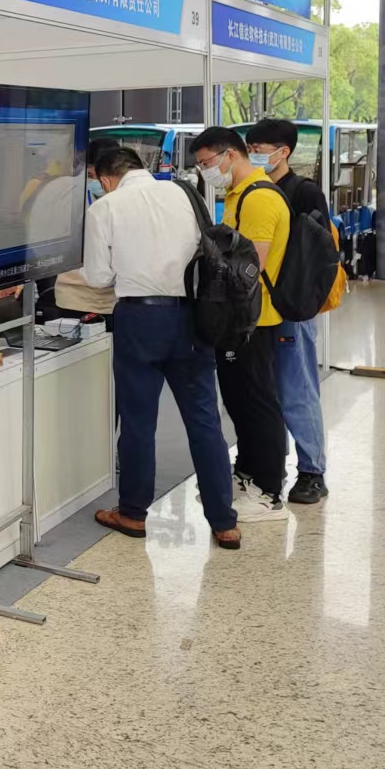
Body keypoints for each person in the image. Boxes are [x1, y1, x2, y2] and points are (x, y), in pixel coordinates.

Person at [82, 146, 241, 549]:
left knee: (138, 423)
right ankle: (225, 522)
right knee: (204, 421)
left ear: (105, 179)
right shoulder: (183, 192)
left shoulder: (105, 208)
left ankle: (133, 513)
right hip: (192, 318)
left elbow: (98, 277)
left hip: (139, 320)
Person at [190, 126, 292, 522]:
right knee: (238, 402)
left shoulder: (260, 198)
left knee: (258, 403)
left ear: (230, 155)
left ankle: (269, 491)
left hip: (255, 320)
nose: (205, 171)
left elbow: (250, 268)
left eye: (207, 163)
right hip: (238, 320)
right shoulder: (238, 194)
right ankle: (247, 474)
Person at [245, 119, 330, 504]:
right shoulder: (251, 189)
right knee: (265, 393)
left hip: (291, 307)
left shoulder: (304, 192)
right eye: (251, 148)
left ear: (284, 152)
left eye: (260, 149)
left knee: (298, 389)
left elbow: (319, 253)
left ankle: (312, 471)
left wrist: (299, 301)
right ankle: (267, 465)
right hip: (256, 309)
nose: (254, 154)